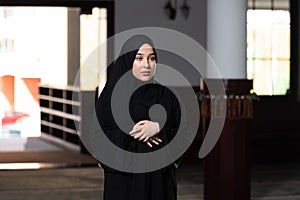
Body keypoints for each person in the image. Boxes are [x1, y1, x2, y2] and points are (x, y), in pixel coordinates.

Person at [95, 35, 182, 200]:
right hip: (124, 181)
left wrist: (159, 127)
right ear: (128, 60)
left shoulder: (167, 96)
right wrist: (131, 131)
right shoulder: (112, 97)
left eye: (152, 58)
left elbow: (184, 134)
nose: (146, 65)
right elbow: (98, 138)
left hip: (159, 182)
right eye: (139, 58)